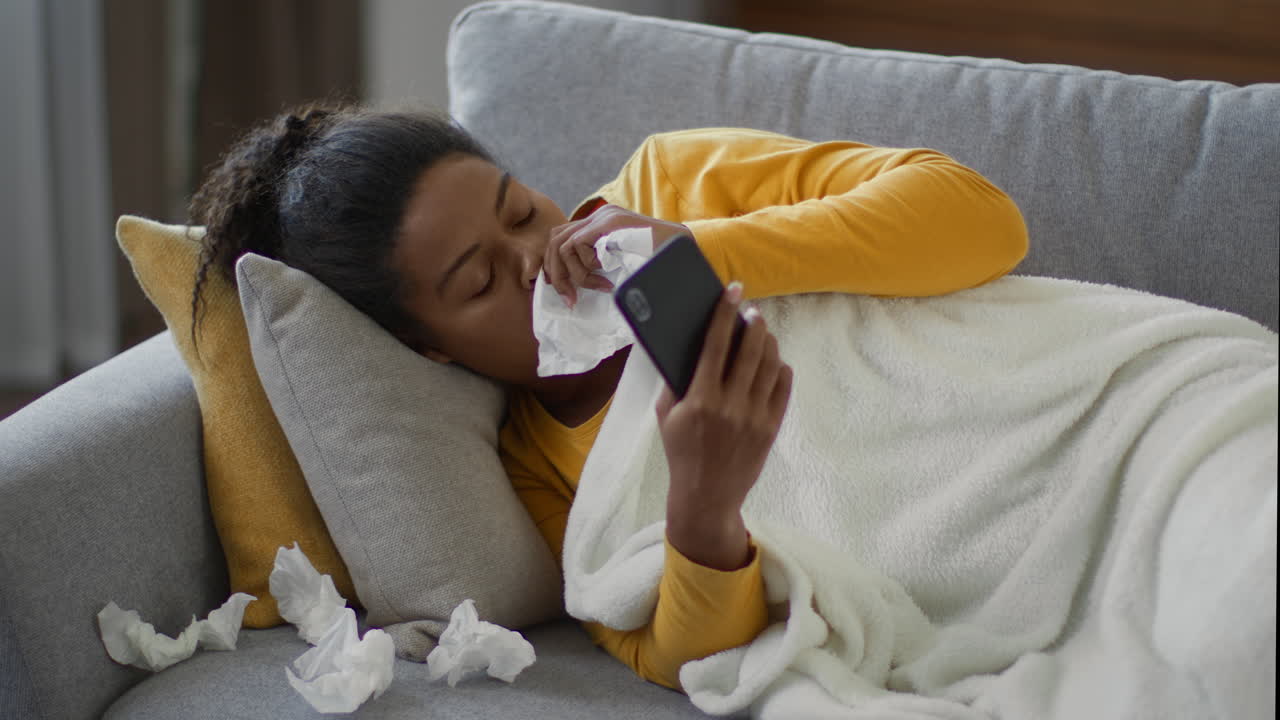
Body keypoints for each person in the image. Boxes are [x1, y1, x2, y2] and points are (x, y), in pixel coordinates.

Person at [191, 103, 1029, 692]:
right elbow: (670, 654)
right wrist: (705, 514)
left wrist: (700, 255)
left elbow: (988, 220)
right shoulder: (537, 468)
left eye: (520, 209)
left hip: (1019, 403)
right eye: (481, 280)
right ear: (431, 348)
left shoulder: (674, 186)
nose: (533, 255)